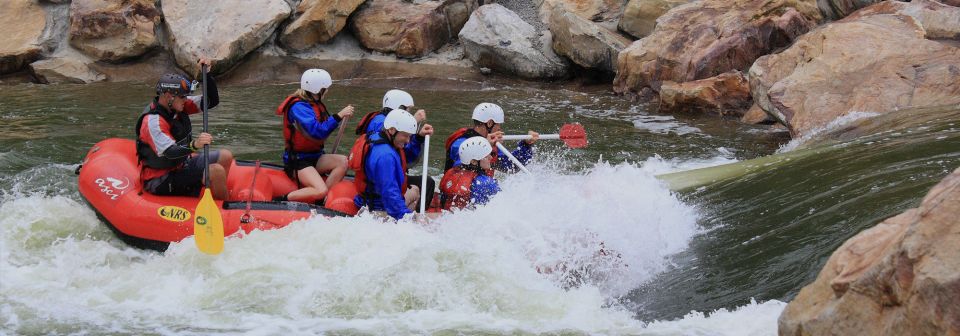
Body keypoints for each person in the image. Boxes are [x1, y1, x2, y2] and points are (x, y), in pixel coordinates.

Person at [136, 58, 234, 200]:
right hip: (160, 179)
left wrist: (206, 74)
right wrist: (195, 145)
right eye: (182, 96)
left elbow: (211, 101)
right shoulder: (153, 121)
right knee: (216, 171)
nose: (186, 99)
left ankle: (216, 195)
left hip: (181, 165)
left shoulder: (178, 106)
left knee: (225, 156)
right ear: (169, 96)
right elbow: (170, 152)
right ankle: (224, 211)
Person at [275, 69, 355, 203]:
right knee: (320, 189)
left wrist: (338, 118)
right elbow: (317, 132)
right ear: (317, 90)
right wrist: (339, 115)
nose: (327, 91)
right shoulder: (298, 108)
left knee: (344, 162)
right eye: (325, 88)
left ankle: (322, 201)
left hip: (315, 156)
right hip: (298, 161)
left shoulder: (313, 103)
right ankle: (282, 199)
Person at [350, 109, 435, 220]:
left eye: (410, 136)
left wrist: (419, 137)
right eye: (405, 136)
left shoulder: (379, 137)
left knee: (414, 190)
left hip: (370, 200)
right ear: (391, 130)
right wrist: (410, 219)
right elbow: (390, 196)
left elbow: (405, 157)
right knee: (430, 219)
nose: (408, 140)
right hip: (377, 210)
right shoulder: (385, 156)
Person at [444, 103, 539, 174]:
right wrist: (487, 145)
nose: (500, 129)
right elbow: (464, 169)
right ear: (489, 123)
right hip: (457, 194)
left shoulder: (492, 143)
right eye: (498, 125)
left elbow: (513, 166)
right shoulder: (461, 143)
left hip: (480, 191)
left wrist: (526, 145)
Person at [439, 136, 500, 210]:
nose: (491, 157)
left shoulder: (450, 172)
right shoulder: (486, 183)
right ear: (474, 161)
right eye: (486, 156)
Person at [354, 89, 426, 136]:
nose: (409, 113)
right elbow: (393, 139)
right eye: (408, 109)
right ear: (400, 108)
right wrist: (413, 121)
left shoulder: (382, 118)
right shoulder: (381, 122)